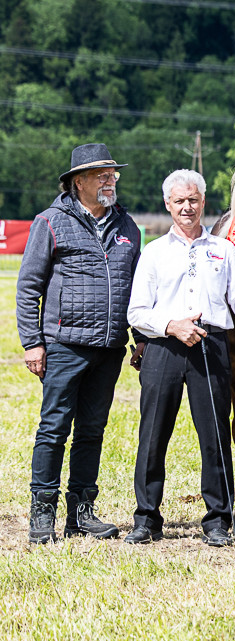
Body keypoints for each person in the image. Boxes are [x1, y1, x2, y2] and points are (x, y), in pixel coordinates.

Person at [125, 170, 235, 546]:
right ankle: (146, 519)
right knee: (153, 435)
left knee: (215, 436)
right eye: (179, 201)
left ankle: (218, 521)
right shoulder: (154, 252)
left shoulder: (223, 251)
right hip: (163, 347)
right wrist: (172, 325)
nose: (187, 207)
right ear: (168, 205)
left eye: (193, 200)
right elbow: (137, 312)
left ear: (203, 202)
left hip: (211, 346)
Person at [16, 144, 142, 544]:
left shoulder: (128, 227)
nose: (110, 180)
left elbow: (139, 291)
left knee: (93, 430)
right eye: (102, 174)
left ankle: (81, 512)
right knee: (54, 428)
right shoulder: (50, 222)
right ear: (78, 182)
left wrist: (139, 338)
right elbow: (28, 287)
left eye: (113, 174)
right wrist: (33, 343)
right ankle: (42, 513)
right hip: (63, 345)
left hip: (109, 348)